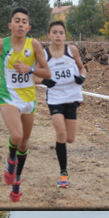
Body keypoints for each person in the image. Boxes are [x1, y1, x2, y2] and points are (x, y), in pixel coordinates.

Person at [0, 7, 51, 202]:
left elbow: (47, 73)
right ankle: (10, 160)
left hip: (28, 99)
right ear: (10, 25)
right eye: (17, 20)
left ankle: (17, 180)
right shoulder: (0, 44)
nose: (20, 24)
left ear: (28, 26)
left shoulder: (35, 45)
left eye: (24, 21)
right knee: (17, 135)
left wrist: (29, 69)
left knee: (24, 143)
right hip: (7, 97)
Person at [40, 20, 87, 188]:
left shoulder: (71, 50)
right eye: (54, 32)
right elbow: (34, 76)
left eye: (61, 32)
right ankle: (63, 174)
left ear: (65, 35)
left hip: (72, 97)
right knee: (61, 133)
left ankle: (62, 159)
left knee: (70, 139)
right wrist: (45, 81)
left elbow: (82, 69)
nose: (58, 35)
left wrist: (82, 77)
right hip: (55, 99)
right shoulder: (44, 54)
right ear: (49, 35)